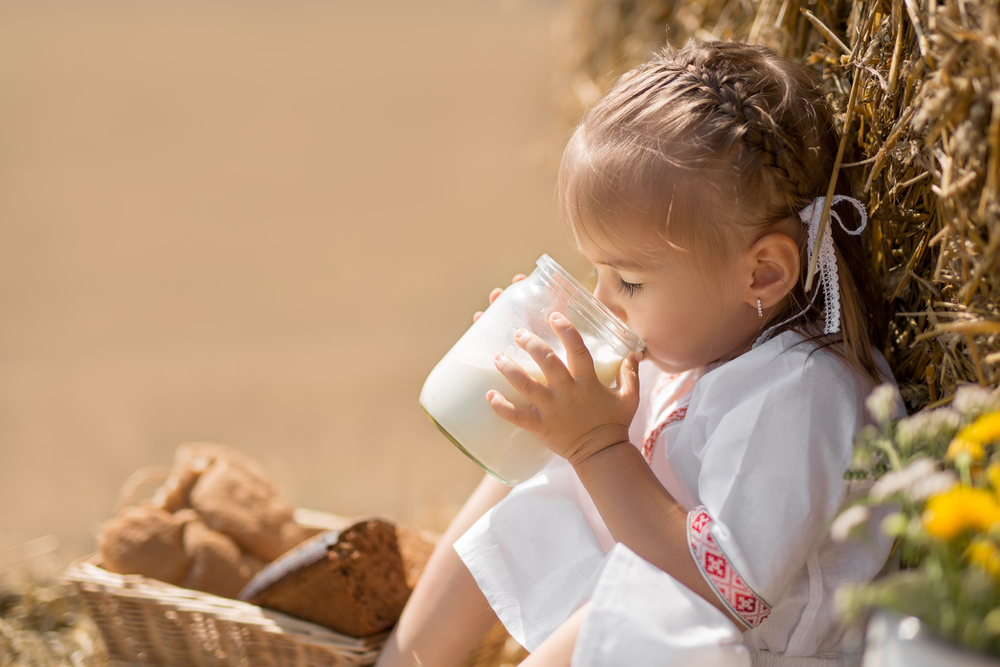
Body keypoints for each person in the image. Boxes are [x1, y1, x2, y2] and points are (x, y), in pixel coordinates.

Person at [376, 40, 900, 667]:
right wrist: (547, 395)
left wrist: (598, 446)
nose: (604, 300)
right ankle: (401, 659)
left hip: (752, 655)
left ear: (761, 275)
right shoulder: (688, 349)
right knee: (543, 458)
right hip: (667, 619)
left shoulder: (802, 396)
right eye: (594, 270)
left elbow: (721, 589)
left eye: (627, 280)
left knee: (619, 613)